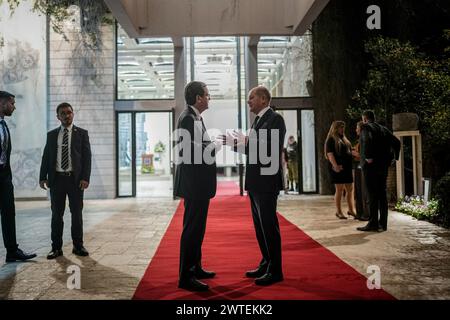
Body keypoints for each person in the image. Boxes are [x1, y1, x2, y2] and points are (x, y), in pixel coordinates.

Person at [221, 86, 286, 286]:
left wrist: (242, 141)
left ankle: (275, 270)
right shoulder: (258, 120)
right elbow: (254, 148)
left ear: (264, 99)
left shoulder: (276, 119)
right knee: (260, 227)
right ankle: (266, 262)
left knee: (269, 227)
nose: (248, 101)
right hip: (257, 182)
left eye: (252, 97)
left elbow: (268, 148)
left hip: (267, 182)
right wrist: (235, 143)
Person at [174, 81, 217, 291]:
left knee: (197, 229)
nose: (209, 98)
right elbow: (190, 152)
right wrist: (215, 146)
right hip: (194, 184)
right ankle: (186, 276)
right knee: (192, 230)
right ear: (198, 98)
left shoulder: (196, 117)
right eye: (207, 95)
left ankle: (196, 267)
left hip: (198, 184)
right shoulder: (187, 118)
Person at [39, 102, 91, 259]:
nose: (67, 115)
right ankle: (56, 248)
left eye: (69, 112)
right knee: (56, 215)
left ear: (73, 114)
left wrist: (85, 178)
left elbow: (87, 158)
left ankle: (78, 246)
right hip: (57, 181)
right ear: (58, 116)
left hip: (75, 181)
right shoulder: (52, 135)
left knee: (77, 214)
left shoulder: (82, 133)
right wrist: (42, 177)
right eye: (63, 113)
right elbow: (46, 157)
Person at [0, 91, 37, 263]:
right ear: (2, 104)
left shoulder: (4, 125)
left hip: (4, 177)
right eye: (12, 103)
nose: (14, 107)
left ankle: (12, 251)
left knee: (9, 212)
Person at [357, 110, 400, 232]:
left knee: (372, 194)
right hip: (383, 166)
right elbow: (397, 142)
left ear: (364, 119)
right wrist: (394, 158)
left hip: (371, 167)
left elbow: (366, 141)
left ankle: (373, 223)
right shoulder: (383, 129)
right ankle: (383, 223)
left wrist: (369, 157)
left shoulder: (366, 128)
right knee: (382, 193)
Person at [324, 121, 357, 219]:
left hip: (347, 168)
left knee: (350, 189)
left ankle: (351, 210)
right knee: (339, 190)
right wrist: (335, 166)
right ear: (335, 128)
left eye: (343, 127)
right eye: (340, 127)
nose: (342, 129)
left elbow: (349, 151)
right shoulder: (331, 139)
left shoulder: (344, 138)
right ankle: (338, 211)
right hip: (338, 167)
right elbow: (330, 154)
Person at [352, 121, 370, 221]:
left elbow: (364, 155)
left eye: (357, 128)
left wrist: (353, 153)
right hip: (358, 167)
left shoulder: (365, 139)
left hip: (363, 168)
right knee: (358, 191)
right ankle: (359, 213)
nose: (356, 130)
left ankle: (366, 214)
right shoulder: (360, 140)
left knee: (364, 192)